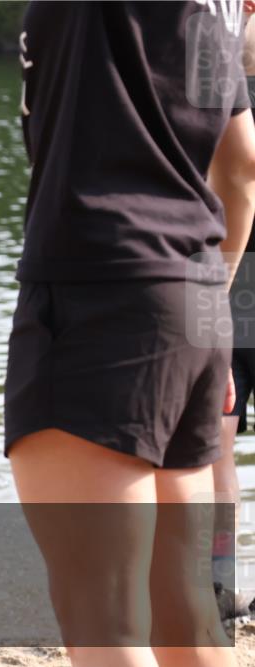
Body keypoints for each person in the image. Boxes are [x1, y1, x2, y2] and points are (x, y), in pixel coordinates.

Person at [5, 2, 255, 666]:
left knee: (104, 621)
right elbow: (243, 169)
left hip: (97, 291)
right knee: (188, 615)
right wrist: (203, 307)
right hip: (192, 299)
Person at [216, 6, 255, 619]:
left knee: (212, 433)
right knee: (212, 434)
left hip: (217, 283)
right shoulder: (210, 77)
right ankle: (222, 584)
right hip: (217, 284)